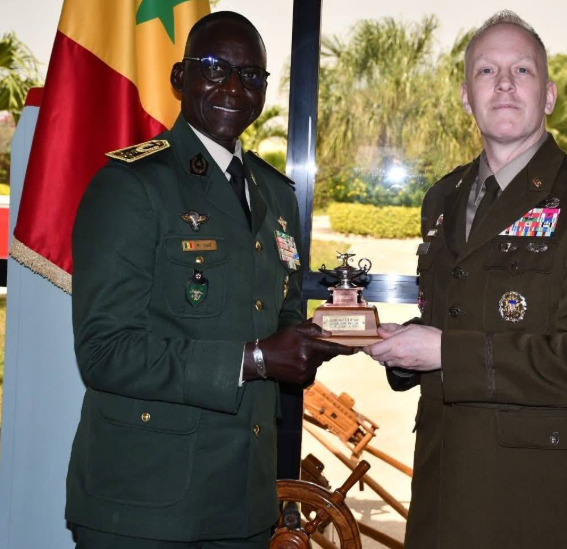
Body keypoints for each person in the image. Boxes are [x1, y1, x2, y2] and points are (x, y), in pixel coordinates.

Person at [66, 11, 353, 548]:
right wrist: (258, 359)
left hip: (243, 501)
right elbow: (105, 351)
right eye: (216, 68)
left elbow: (280, 311)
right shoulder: (132, 185)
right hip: (145, 502)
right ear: (180, 77)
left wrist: (313, 342)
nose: (234, 87)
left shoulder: (275, 193)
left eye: (251, 75)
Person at [364, 10, 567, 548]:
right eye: (486, 71)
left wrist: (444, 351)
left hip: (547, 502)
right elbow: (457, 317)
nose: (503, 84)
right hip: (446, 489)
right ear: (465, 97)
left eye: (522, 70)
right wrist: (406, 349)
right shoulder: (443, 198)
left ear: (549, 95)